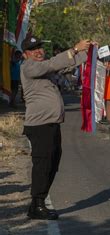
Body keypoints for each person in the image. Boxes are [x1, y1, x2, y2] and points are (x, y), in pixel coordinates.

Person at [21, 36, 90, 220]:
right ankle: (37, 204)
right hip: (39, 125)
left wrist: (87, 52)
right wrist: (74, 49)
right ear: (25, 54)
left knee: (52, 163)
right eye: (33, 49)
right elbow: (53, 64)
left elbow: (64, 66)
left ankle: (38, 203)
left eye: (40, 48)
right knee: (42, 164)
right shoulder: (29, 67)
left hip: (51, 124)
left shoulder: (46, 67)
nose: (38, 51)